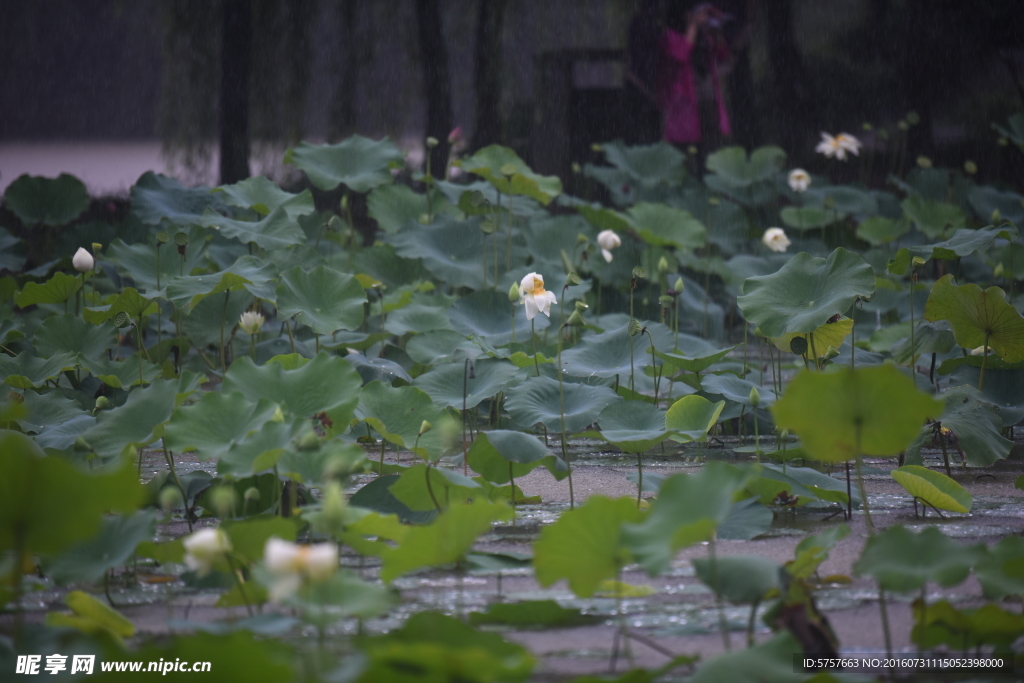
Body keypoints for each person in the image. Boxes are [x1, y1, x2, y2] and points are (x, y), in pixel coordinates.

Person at [659, 2, 733, 171]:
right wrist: (692, 26)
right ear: (686, 15)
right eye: (701, 13)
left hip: (707, 99)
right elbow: (682, 53)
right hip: (683, 104)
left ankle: (709, 185)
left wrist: (717, 35)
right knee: (683, 151)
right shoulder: (669, 36)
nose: (704, 18)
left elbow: (723, 57)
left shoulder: (706, 36)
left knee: (710, 149)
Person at [624, 0, 664, 145]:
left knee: (639, 134)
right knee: (646, 133)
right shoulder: (649, 28)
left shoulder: (639, 26)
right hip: (644, 85)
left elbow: (629, 65)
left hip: (644, 85)